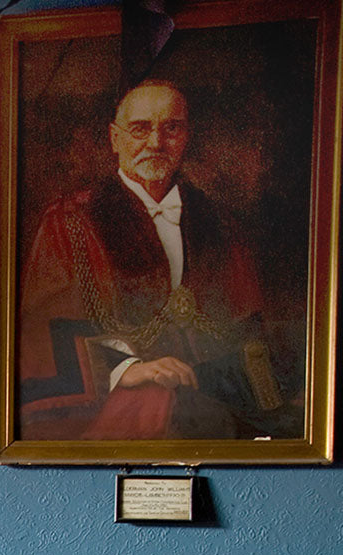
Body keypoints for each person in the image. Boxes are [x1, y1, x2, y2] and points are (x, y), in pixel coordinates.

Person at [18, 79, 294, 441]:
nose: (155, 143)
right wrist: (127, 369)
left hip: (214, 397)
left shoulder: (220, 223)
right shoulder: (70, 221)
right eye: (140, 129)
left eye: (172, 128)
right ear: (115, 139)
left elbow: (248, 330)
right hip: (120, 401)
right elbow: (41, 334)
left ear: (187, 137)